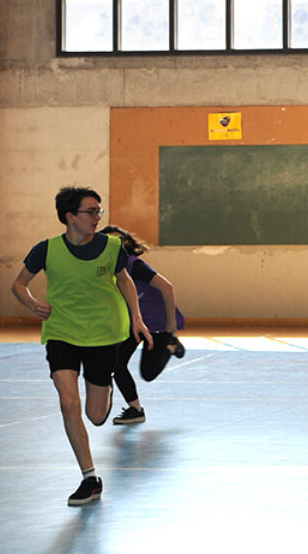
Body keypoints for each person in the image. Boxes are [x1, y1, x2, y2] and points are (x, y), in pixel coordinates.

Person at [10, 186, 153, 506]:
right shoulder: (46, 250)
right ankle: (89, 478)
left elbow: (125, 280)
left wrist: (137, 319)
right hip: (62, 333)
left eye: (99, 211)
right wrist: (33, 304)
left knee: (96, 415)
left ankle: (105, 395)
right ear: (70, 217)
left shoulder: (112, 247)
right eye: (91, 212)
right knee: (68, 402)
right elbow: (18, 284)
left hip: (103, 334)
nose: (97, 217)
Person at [102, 225, 186, 425]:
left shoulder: (134, 265)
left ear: (126, 245)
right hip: (134, 323)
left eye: (119, 242)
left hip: (157, 322)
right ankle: (135, 409)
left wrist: (170, 323)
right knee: (116, 364)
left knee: (148, 374)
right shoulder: (104, 270)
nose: (115, 246)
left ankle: (171, 344)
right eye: (109, 242)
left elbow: (167, 287)